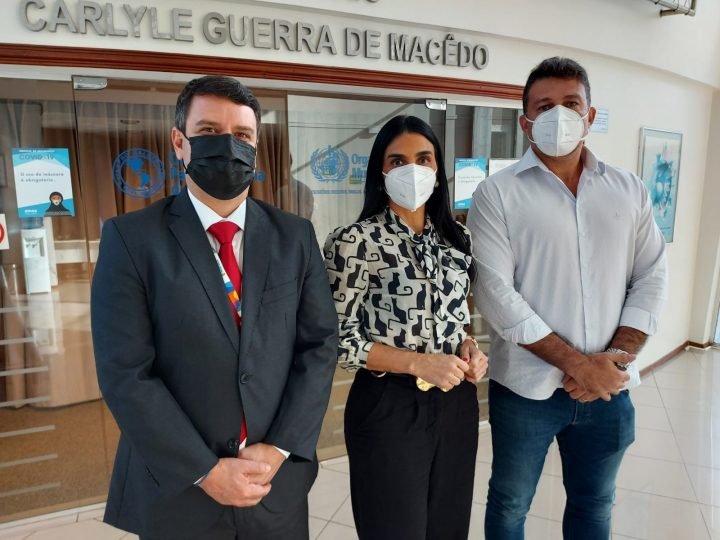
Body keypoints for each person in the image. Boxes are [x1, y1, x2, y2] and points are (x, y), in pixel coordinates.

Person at [91, 75, 339, 540]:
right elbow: (126, 372)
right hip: (179, 493)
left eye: (242, 135)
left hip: (274, 485)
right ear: (179, 142)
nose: (227, 146)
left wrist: (279, 447)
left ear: (256, 146)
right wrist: (204, 470)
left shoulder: (294, 237)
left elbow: (320, 345)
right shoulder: (131, 239)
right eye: (208, 132)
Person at [467, 57, 668, 539]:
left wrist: (614, 359)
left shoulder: (629, 190)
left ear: (589, 115)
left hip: (610, 387)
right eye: (544, 106)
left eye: (571, 103)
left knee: (594, 505)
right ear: (525, 123)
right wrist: (580, 365)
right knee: (510, 504)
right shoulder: (497, 194)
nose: (558, 114)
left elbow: (652, 274)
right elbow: (495, 293)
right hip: (526, 392)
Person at [324, 115, 488, 540]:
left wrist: (469, 349)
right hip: (388, 405)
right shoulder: (354, 242)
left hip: (456, 404)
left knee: (448, 527)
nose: (412, 170)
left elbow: (455, 320)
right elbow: (337, 340)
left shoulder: (457, 240)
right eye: (397, 161)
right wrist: (418, 363)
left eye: (423, 159)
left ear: (437, 169)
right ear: (380, 172)